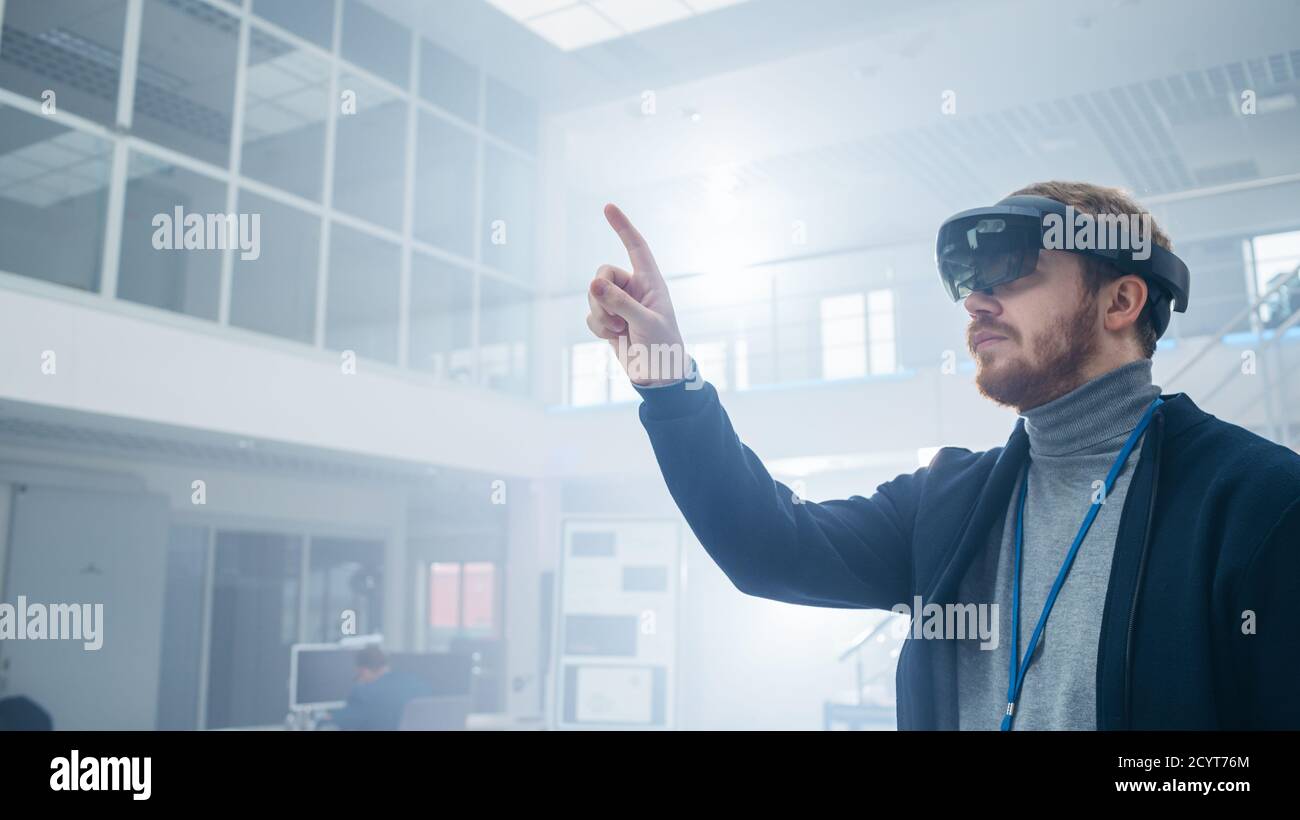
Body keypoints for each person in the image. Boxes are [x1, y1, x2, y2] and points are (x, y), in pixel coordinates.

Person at [584, 180, 1300, 730]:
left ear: (1120, 302)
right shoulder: (949, 503)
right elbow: (767, 546)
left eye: (1012, 270)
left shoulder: (1259, 504)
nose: (976, 302)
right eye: (968, 282)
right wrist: (670, 382)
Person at [327, 645, 432, 731]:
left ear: (363, 670)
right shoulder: (417, 685)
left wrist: (326, 716)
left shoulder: (363, 693)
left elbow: (344, 722)